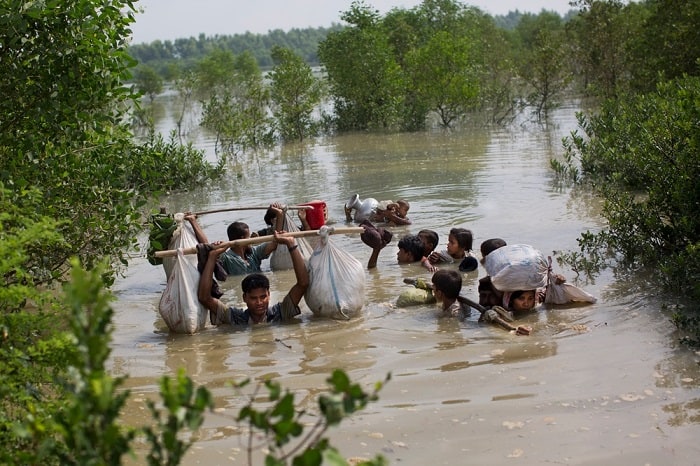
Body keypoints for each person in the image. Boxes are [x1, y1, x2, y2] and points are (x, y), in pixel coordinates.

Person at [197, 231, 309, 325]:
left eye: (263, 297)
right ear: (244, 298)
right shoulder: (235, 318)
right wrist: (212, 257)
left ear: (269, 295)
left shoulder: (280, 312)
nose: (259, 302)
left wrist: (291, 244)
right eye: (253, 298)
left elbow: (303, 284)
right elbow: (204, 298)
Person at [220, 210, 283, 275]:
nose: (251, 240)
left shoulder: (253, 253)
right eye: (248, 237)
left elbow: (275, 244)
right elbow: (211, 255)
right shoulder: (226, 258)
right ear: (242, 239)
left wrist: (279, 215)